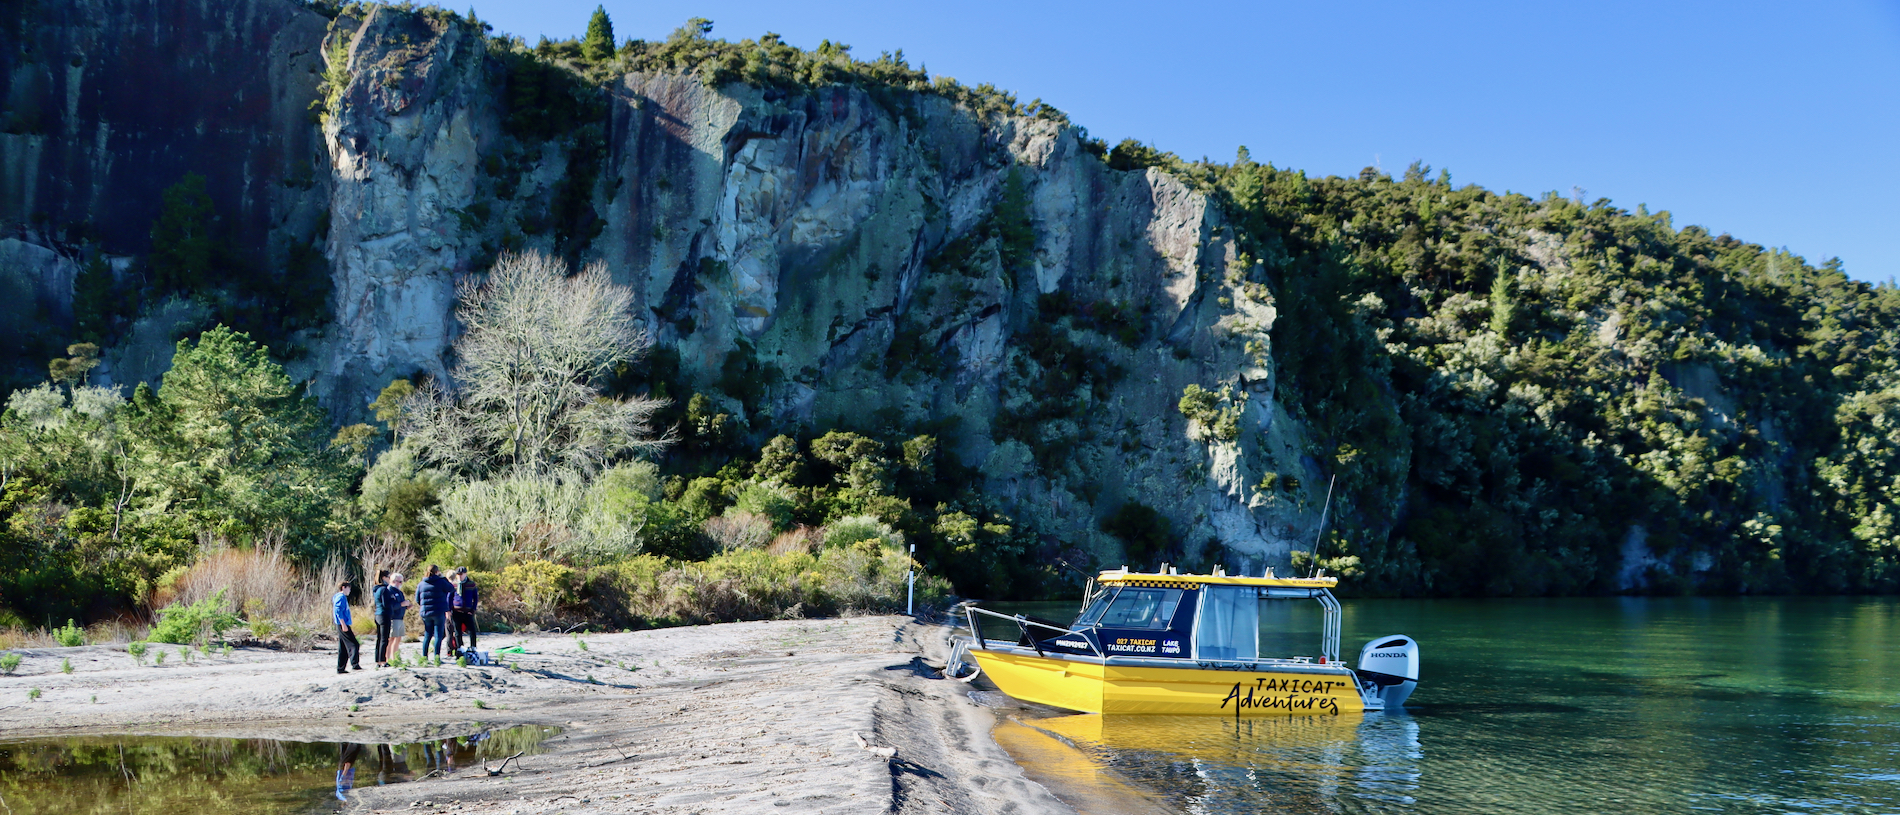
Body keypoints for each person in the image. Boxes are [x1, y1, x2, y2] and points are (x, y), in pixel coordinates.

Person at [416, 565, 455, 662]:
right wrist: (443, 578)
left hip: (425, 612)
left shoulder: (421, 583)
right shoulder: (441, 581)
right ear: (437, 572)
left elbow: (417, 599)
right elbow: (451, 588)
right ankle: (436, 657)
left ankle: (424, 657)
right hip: (438, 611)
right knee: (438, 635)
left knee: (427, 635)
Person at [333, 580, 361, 674]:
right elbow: (338, 611)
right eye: (349, 588)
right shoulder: (341, 597)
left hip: (343, 623)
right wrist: (343, 624)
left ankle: (340, 668)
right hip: (342, 624)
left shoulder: (340, 597)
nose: (350, 590)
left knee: (343, 647)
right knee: (354, 644)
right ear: (343, 587)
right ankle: (355, 664)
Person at [450, 566, 479, 653]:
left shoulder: (471, 584)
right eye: (458, 574)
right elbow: (449, 597)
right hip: (456, 611)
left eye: (461, 574)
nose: (459, 576)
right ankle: (459, 648)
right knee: (457, 631)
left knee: (472, 630)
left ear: (465, 574)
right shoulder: (453, 584)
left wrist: (473, 609)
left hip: (468, 611)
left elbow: (475, 597)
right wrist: (450, 609)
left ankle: (473, 647)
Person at [382, 573, 409, 664]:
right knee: (391, 639)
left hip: (400, 618)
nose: (401, 583)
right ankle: (388, 659)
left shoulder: (399, 592)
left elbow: (400, 604)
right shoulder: (389, 591)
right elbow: (390, 606)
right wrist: (402, 604)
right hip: (393, 618)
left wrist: (406, 606)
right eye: (400, 581)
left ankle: (395, 658)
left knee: (398, 639)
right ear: (393, 581)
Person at [370, 570, 391, 668]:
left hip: (377, 614)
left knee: (379, 639)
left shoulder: (376, 589)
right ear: (383, 577)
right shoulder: (384, 589)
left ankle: (377, 660)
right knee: (384, 639)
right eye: (388, 577)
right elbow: (386, 604)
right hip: (384, 615)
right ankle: (382, 660)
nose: (389, 579)